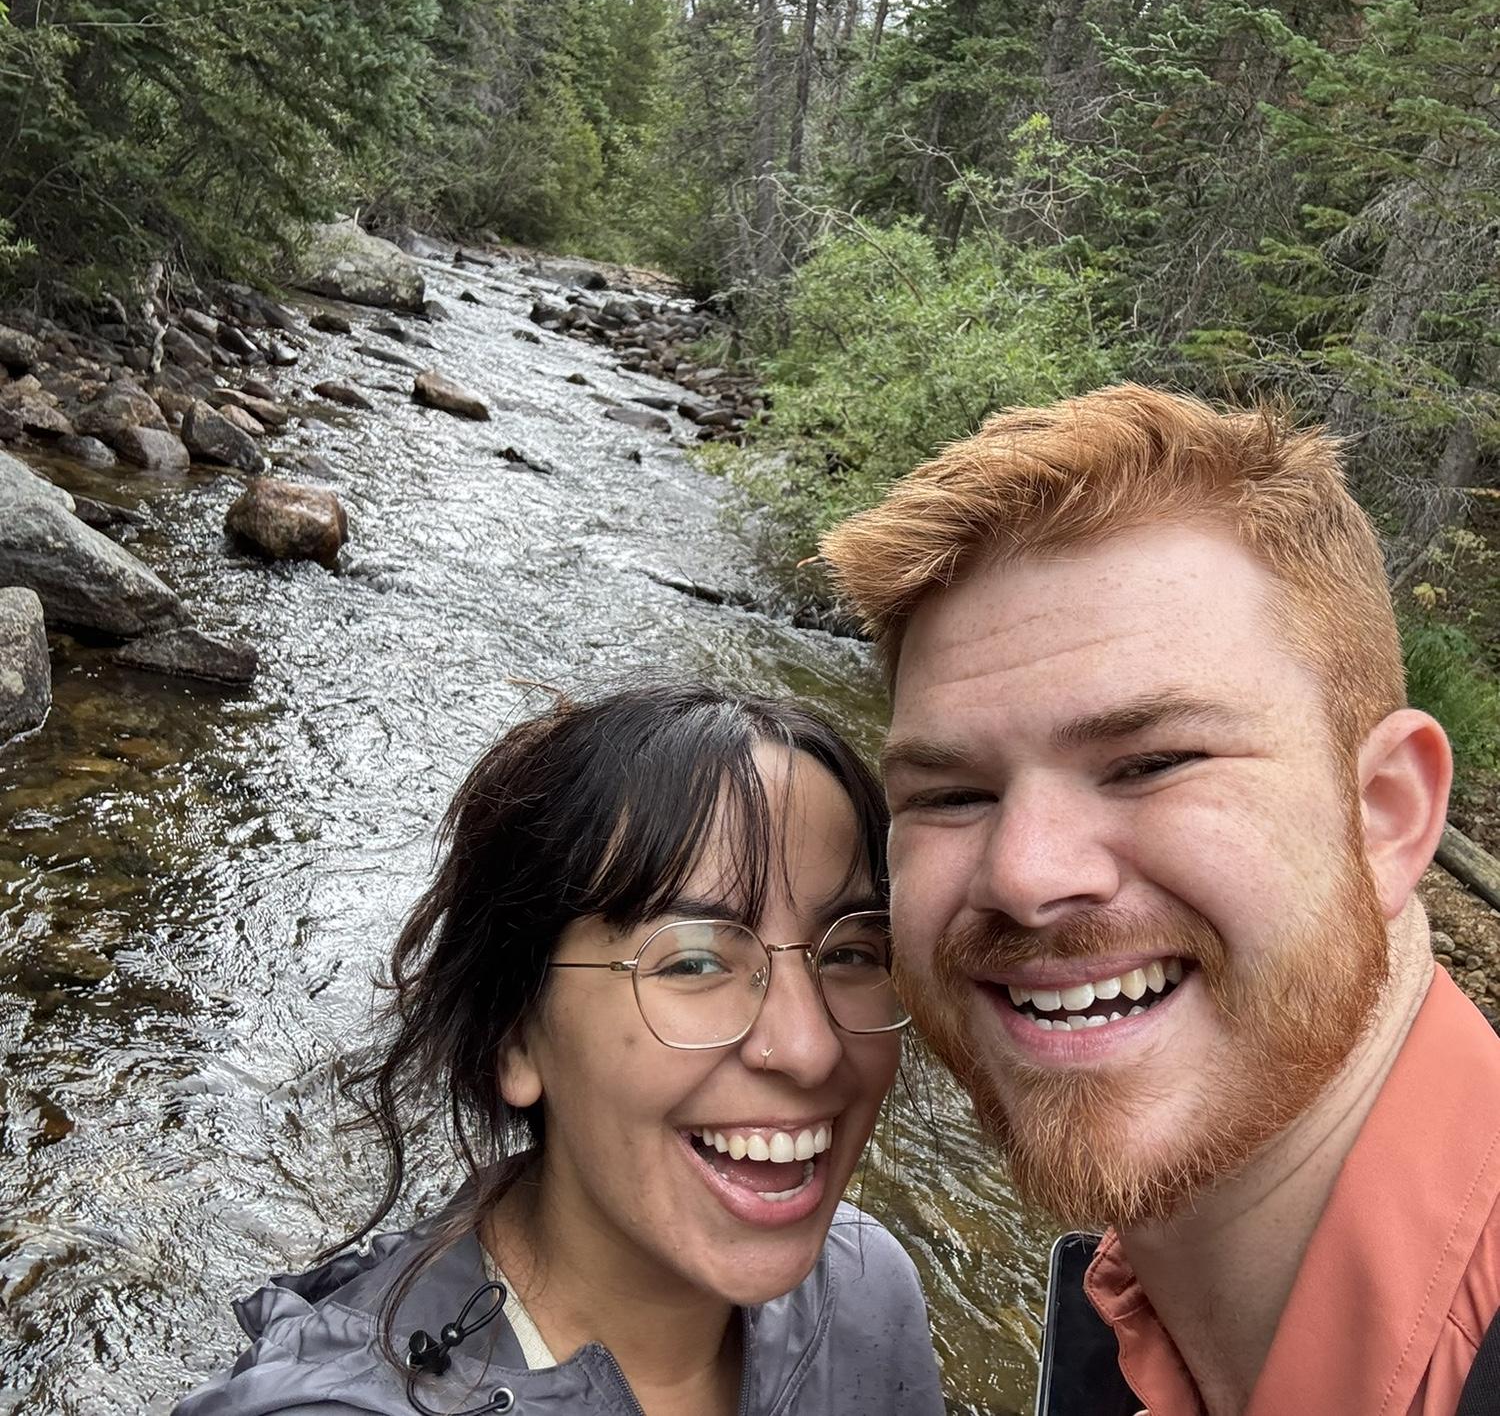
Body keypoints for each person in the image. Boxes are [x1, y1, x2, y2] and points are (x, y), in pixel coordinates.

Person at [819, 385, 1500, 1416]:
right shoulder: (1135, 1312)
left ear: (1386, 815)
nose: (1025, 876)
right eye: (952, 795)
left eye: (1151, 763)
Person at [176, 684, 944, 1416]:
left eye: (850, 953)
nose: (810, 1048)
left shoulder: (866, 1286)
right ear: (515, 1032)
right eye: (693, 961)